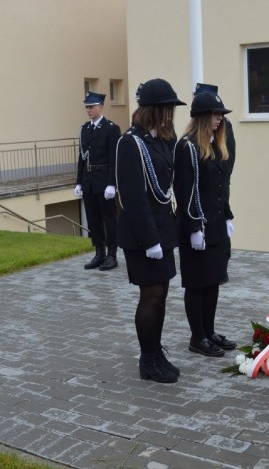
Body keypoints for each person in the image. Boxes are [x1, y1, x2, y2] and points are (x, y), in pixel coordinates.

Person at [116, 78, 185, 384]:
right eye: (168, 109)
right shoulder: (130, 142)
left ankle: (156, 352)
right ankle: (147, 360)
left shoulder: (159, 139)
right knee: (151, 295)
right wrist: (150, 240)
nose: (171, 115)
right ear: (155, 110)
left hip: (162, 227)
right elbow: (132, 197)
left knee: (163, 293)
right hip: (143, 234)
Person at [174, 86, 237, 358]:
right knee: (197, 283)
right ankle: (197, 337)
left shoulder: (215, 143)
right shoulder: (187, 146)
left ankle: (209, 331)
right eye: (215, 113)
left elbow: (221, 186)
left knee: (213, 281)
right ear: (200, 116)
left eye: (221, 114)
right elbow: (185, 190)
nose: (220, 118)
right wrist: (194, 228)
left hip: (216, 222)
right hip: (197, 226)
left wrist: (227, 215)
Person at [74, 91, 121, 271]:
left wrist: (112, 183)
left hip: (104, 180)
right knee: (93, 219)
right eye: (87, 107)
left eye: (91, 107)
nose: (89, 110)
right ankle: (99, 252)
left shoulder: (111, 128)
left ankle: (112, 255)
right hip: (89, 180)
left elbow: (114, 158)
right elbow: (82, 158)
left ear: (101, 107)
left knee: (109, 219)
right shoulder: (84, 129)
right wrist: (79, 182)